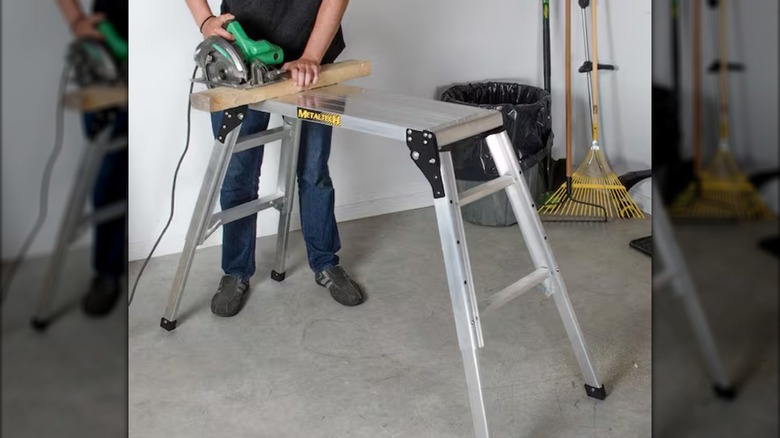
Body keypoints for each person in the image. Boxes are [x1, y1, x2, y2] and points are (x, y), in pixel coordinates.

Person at [185, 0, 365, 317]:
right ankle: (236, 271)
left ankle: (326, 262)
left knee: (314, 170)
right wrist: (205, 21)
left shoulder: (312, 58)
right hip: (239, 58)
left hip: (312, 61)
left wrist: (312, 56)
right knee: (238, 176)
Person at [56, 0, 128, 316]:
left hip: (140, 56)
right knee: (108, 173)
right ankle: (107, 272)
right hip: (106, 54)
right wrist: (76, 21)